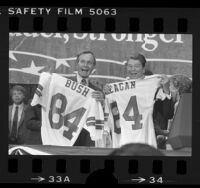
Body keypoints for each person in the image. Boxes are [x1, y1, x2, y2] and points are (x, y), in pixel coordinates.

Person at [103, 53, 171, 148]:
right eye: (130, 66)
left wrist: (166, 88)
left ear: (143, 69)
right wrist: (105, 94)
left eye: (136, 66)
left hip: (146, 137)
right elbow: (108, 114)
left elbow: (167, 114)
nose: (132, 69)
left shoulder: (152, 85)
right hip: (124, 138)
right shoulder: (116, 88)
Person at [70, 50, 105, 147]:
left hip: (87, 139)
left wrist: (102, 104)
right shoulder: (64, 84)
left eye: (89, 63)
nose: (85, 65)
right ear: (77, 64)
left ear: (93, 67)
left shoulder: (98, 91)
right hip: (67, 137)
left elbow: (102, 118)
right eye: (82, 61)